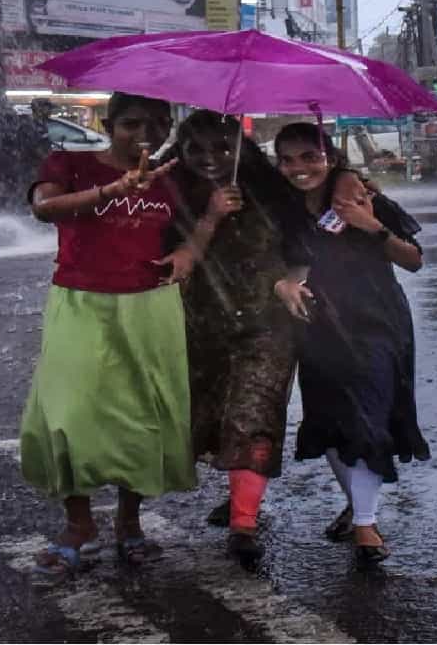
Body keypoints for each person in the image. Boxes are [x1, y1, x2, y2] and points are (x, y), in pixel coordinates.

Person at [20, 92, 205, 583]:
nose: (146, 133)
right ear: (108, 124)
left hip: (150, 305)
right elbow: (45, 208)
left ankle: (129, 523)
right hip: (80, 302)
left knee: (142, 416)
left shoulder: (170, 177)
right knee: (67, 414)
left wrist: (188, 253)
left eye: (159, 123)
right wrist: (113, 189)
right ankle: (79, 524)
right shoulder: (68, 163)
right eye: (132, 123)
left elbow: (198, 229)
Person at [271, 122, 430, 567]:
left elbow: (414, 260)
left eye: (310, 157)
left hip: (376, 322)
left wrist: (371, 225)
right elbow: (286, 265)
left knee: (368, 419)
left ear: (331, 158)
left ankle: (365, 523)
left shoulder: (362, 198)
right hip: (318, 325)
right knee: (330, 423)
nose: (300, 168)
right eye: (288, 160)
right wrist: (285, 284)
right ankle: (358, 507)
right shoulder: (281, 209)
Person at [166, 110, 298, 566]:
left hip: (267, 325)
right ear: (180, 151)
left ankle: (244, 523)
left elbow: (308, 237)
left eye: (223, 148)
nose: (209, 158)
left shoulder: (273, 190)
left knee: (254, 413)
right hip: (202, 325)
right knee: (212, 417)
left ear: (242, 149)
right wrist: (211, 215)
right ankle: (239, 497)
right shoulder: (168, 194)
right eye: (196, 149)